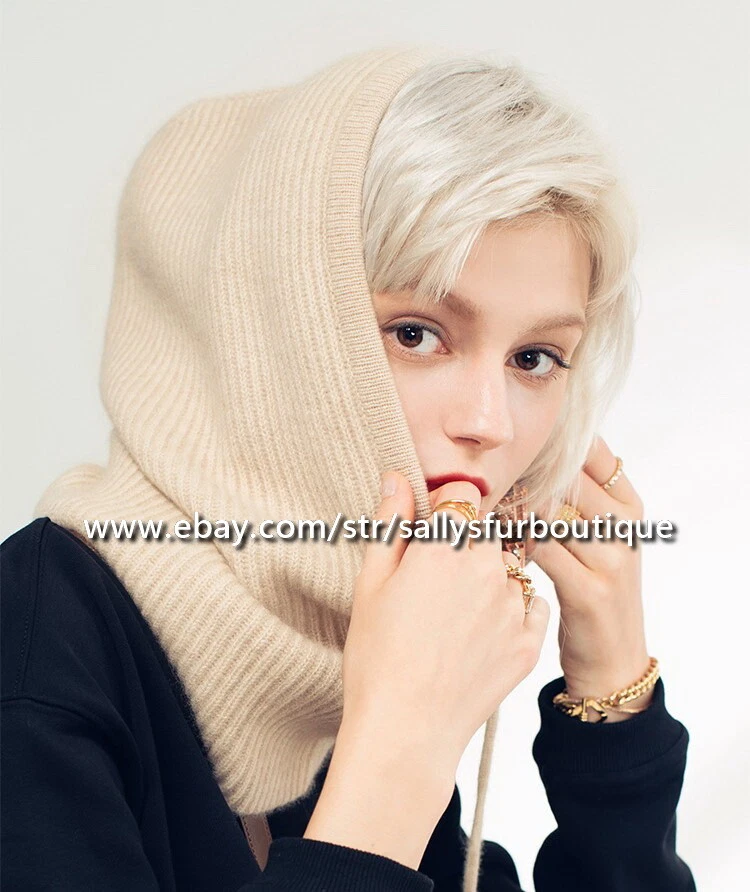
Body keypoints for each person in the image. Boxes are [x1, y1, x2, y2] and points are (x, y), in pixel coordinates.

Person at [0, 46, 696, 892]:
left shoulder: (343, 629)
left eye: (535, 358)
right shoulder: (34, 654)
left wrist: (614, 692)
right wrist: (397, 753)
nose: (488, 423)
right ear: (269, 329)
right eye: (416, 334)